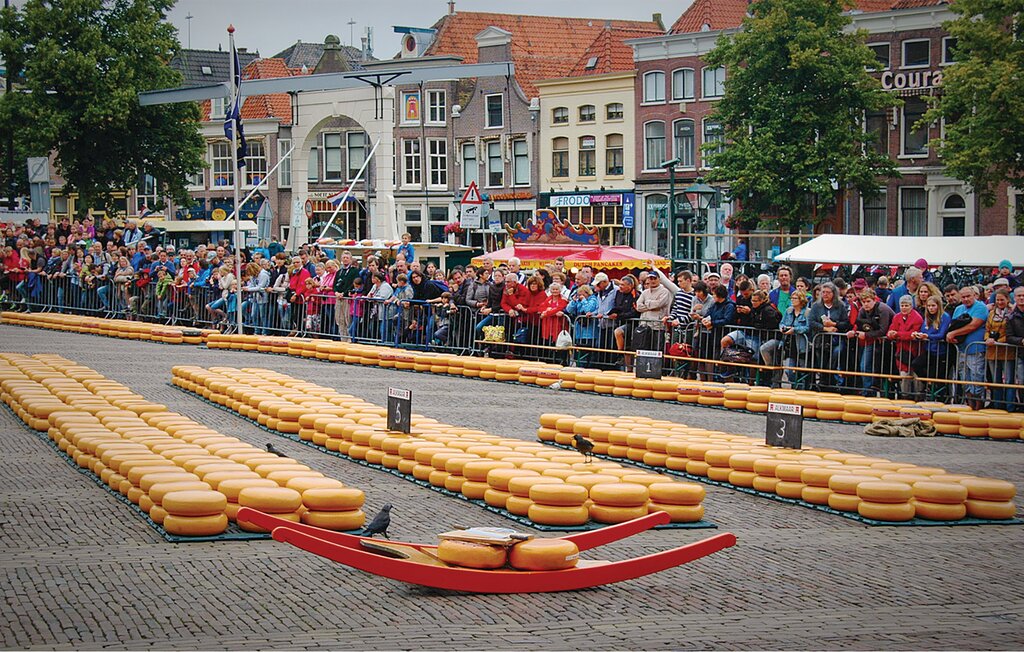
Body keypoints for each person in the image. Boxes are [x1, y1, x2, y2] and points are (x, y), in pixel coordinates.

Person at [947, 285, 989, 409]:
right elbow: (954, 325)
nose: (966, 299)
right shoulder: (958, 309)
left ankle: (978, 407)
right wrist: (951, 334)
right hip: (961, 349)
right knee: (965, 379)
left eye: (968, 296)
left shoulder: (981, 307)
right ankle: (969, 406)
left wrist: (953, 333)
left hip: (976, 350)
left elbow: (973, 325)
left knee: (976, 378)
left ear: (974, 296)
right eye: (963, 297)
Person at [848, 290, 894, 396]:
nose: (865, 304)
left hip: (888, 343)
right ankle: (868, 390)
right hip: (873, 340)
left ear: (874, 300)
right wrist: (854, 332)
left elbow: (883, 330)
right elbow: (858, 324)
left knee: (884, 369)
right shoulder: (862, 310)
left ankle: (884, 392)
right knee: (864, 365)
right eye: (863, 302)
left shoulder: (883, 309)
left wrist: (866, 335)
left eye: (868, 301)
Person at [760, 290, 810, 388]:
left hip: (801, 344)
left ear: (801, 300)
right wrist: (782, 328)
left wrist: (795, 330)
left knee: (802, 369)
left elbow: (808, 327)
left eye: (795, 298)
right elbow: (782, 323)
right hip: (789, 344)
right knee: (788, 370)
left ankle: (801, 389)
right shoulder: (789, 311)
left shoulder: (807, 312)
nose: (792, 300)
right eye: (791, 298)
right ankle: (794, 386)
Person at [808, 282, 851, 389]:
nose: (825, 294)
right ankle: (823, 385)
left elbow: (846, 323)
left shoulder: (841, 306)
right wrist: (825, 328)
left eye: (828, 292)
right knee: (822, 363)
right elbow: (811, 322)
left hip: (836, 339)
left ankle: (832, 383)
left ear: (834, 293)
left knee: (836, 355)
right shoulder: (816, 306)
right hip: (820, 340)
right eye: (823, 292)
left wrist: (834, 324)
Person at [910, 295, 951, 401]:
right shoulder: (927, 317)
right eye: (929, 306)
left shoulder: (944, 316)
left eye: (933, 306)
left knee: (939, 377)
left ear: (938, 306)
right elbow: (924, 331)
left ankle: (941, 398)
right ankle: (928, 384)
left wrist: (928, 336)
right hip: (929, 350)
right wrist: (918, 335)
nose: (931, 308)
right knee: (916, 364)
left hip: (941, 352)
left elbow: (941, 334)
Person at [887, 294, 924, 399]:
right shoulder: (897, 316)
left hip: (915, 352)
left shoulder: (917, 318)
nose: (904, 308)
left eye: (906, 305)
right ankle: (905, 397)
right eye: (902, 305)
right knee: (904, 376)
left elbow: (913, 334)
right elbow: (890, 331)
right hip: (901, 352)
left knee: (916, 377)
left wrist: (897, 334)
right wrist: (890, 334)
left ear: (911, 306)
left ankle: (918, 397)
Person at [984, 288, 1015, 410]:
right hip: (992, 351)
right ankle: (997, 405)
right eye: (997, 300)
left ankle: (1010, 406)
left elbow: (1010, 332)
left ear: (1007, 300)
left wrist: (998, 341)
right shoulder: (991, 313)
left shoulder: (1011, 313)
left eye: (1002, 300)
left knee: (1008, 381)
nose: (1000, 302)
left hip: (1007, 351)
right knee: (995, 381)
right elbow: (987, 329)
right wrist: (988, 339)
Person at [332, 251, 359, 342]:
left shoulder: (354, 271)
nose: (345, 260)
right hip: (338, 298)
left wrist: (344, 293)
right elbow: (335, 284)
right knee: (340, 319)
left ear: (350, 260)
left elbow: (353, 284)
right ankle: (342, 338)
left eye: (347, 258)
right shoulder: (339, 272)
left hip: (347, 298)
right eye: (343, 258)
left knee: (347, 319)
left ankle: (349, 339)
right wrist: (336, 292)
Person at [1005, 286, 1024, 409]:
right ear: (1015, 298)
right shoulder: (1011, 317)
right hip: (1021, 354)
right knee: (1021, 382)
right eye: (1019, 296)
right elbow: (1009, 337)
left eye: (1023, 295)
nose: (1022, 298)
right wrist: (1021, 341)